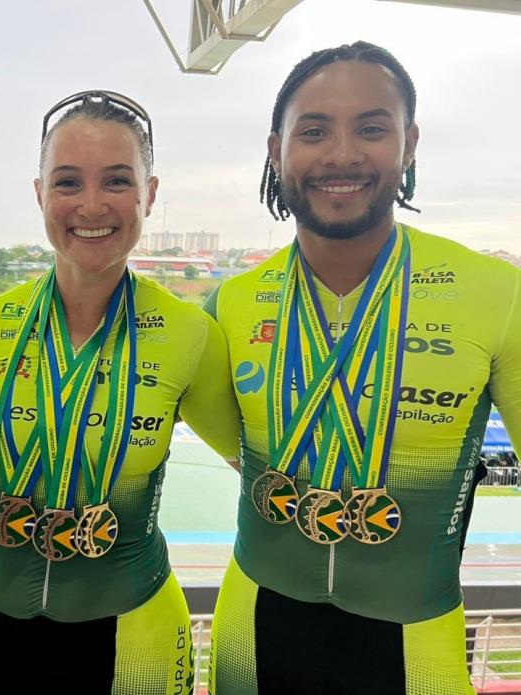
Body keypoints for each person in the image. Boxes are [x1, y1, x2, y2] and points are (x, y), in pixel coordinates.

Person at [204, 41, 521, 695]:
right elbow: (240, 448)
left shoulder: (496, 294)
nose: (341, 154)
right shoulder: (230, 305)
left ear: (407, 145)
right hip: (251, 636)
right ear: (276, 151)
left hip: (415, 648)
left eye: (370, 128)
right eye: (313, 130)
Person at [0, 90, 241, 694]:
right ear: (39, 193)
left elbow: (260, 461)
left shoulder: (193, 335)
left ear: (151, 193)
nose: (92, 205)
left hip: (135, 638)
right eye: (67, 182)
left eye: (117, 180)